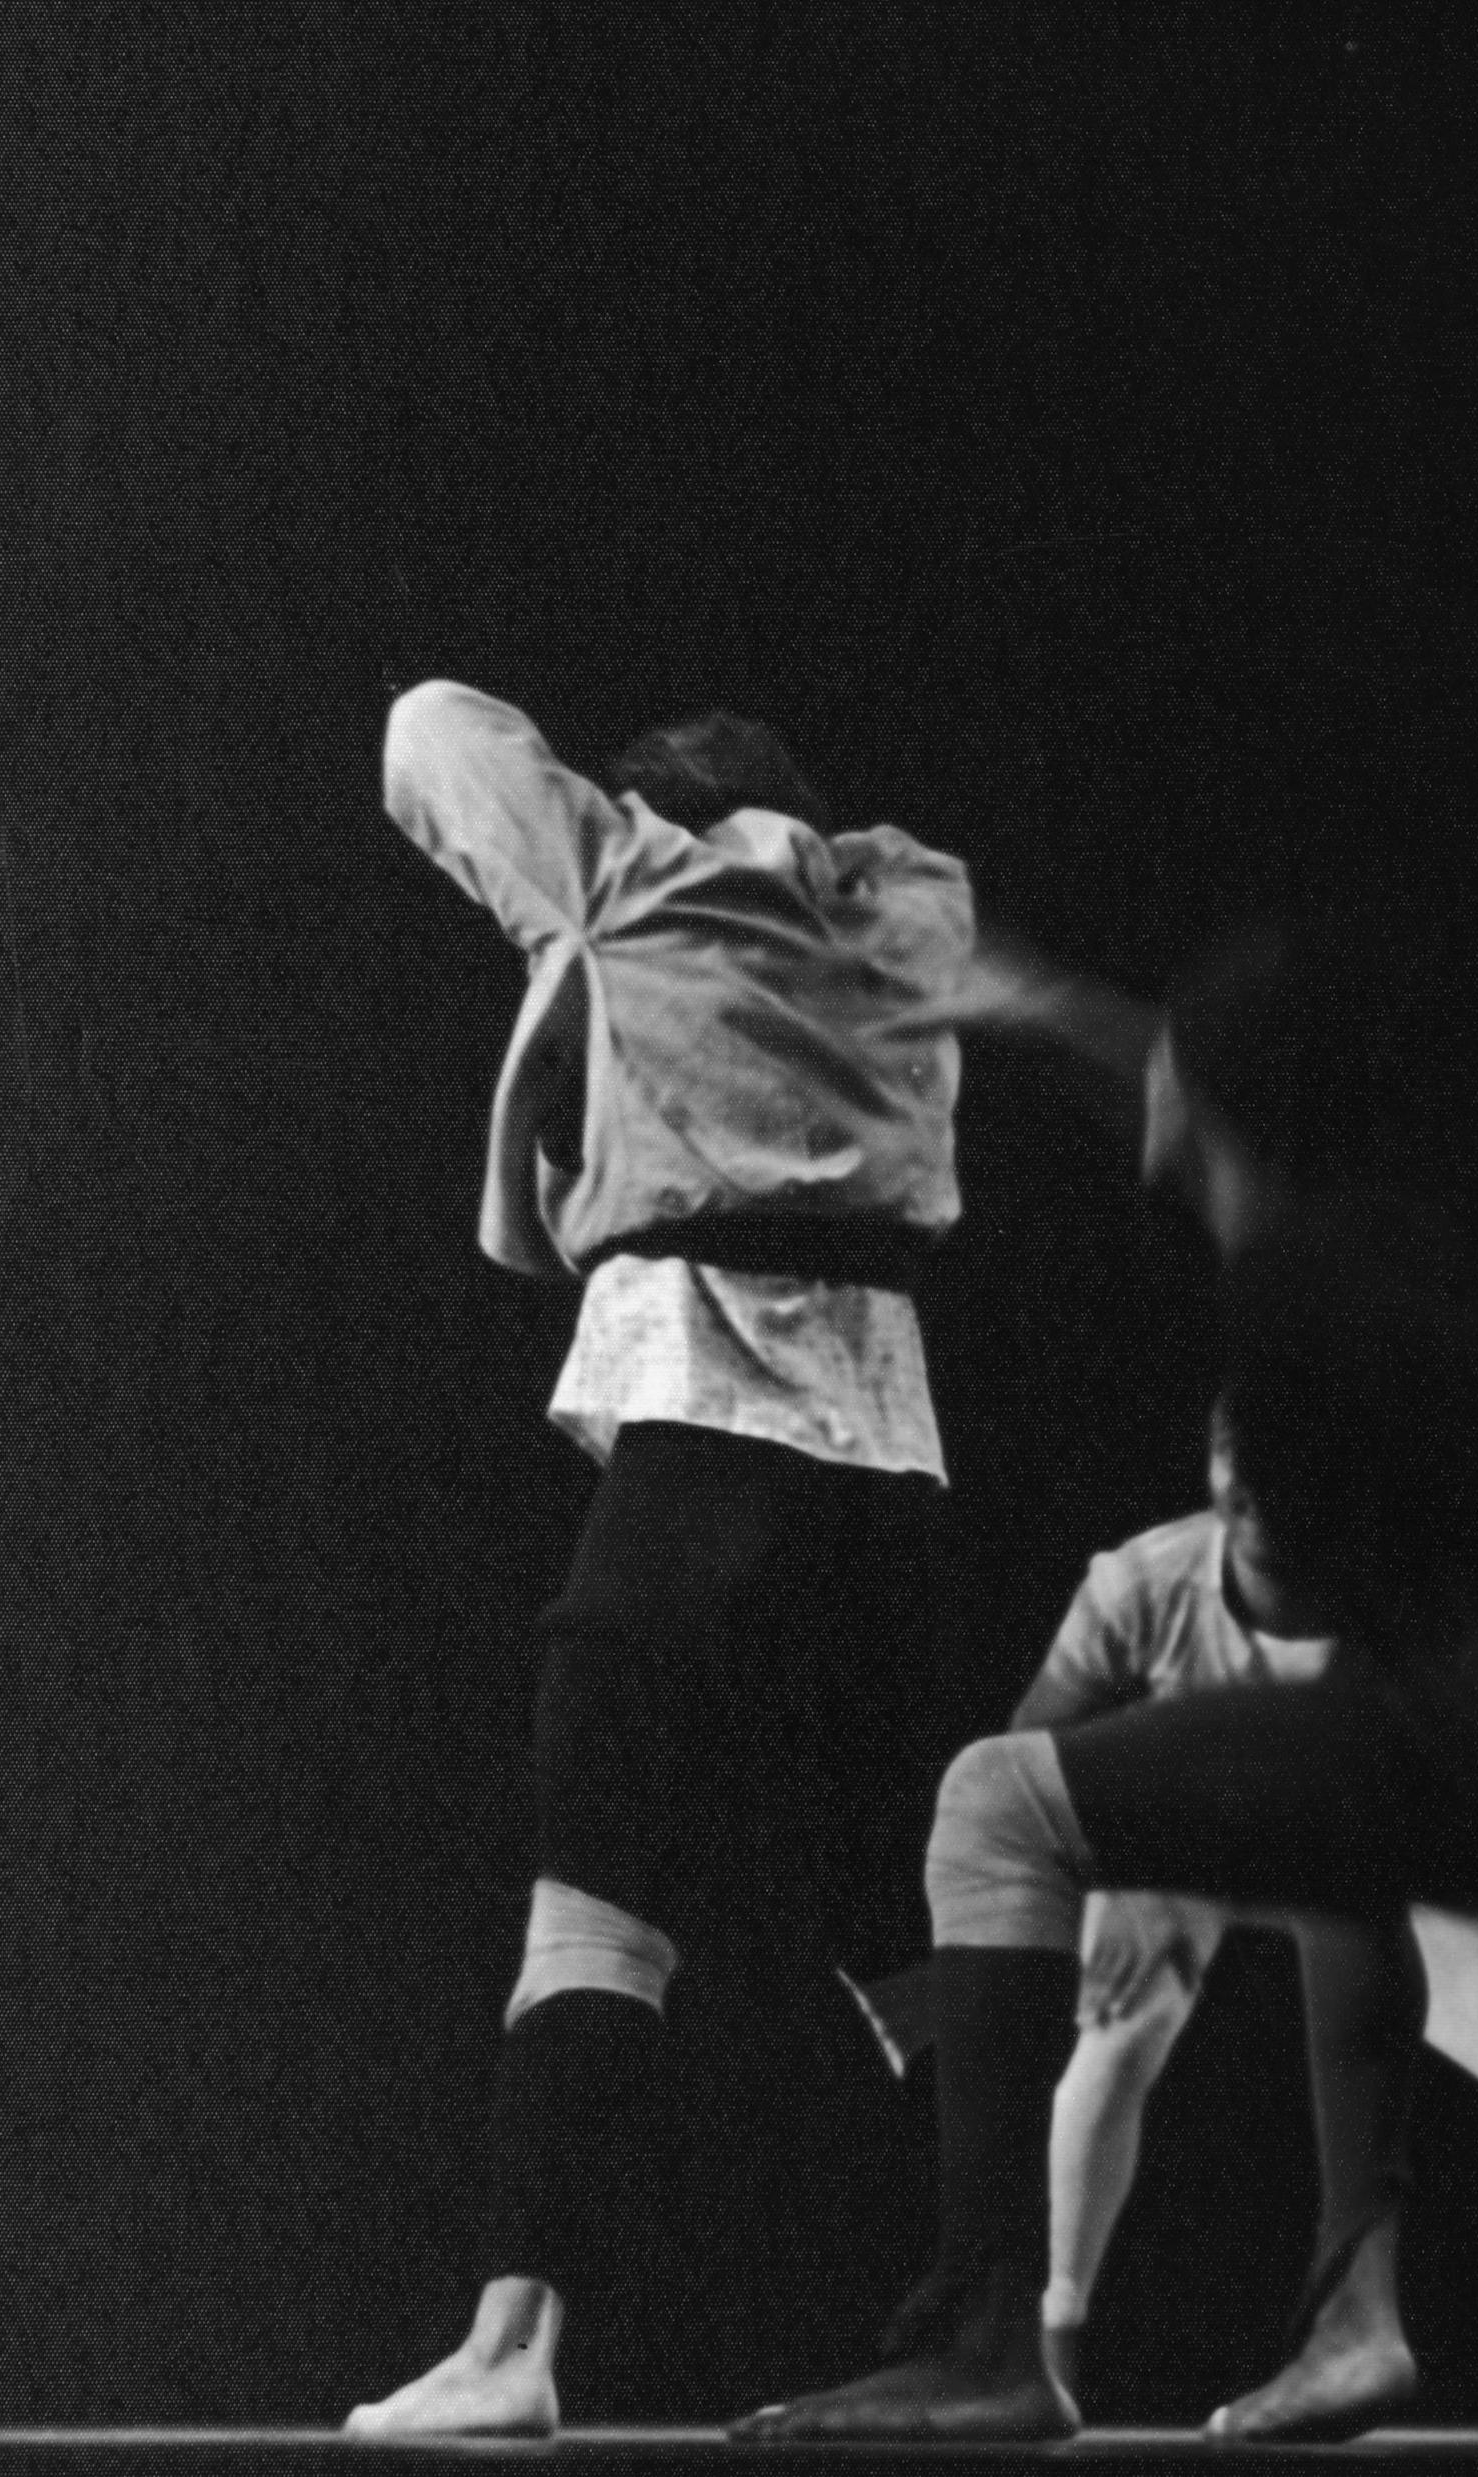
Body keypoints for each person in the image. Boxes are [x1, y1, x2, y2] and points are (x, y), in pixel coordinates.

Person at [738, 926, 1478, 2445]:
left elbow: (1402, 1604)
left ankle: (990, 2338)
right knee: (1336, 1835)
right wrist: (1045, 1010)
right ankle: (1352, 2317)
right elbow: (1213, 1090)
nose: (1139, 1085)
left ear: (1206, 1106)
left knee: (996, 1804)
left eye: (1163, 1071)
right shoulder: (1356, 1230)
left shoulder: (1298, 1319)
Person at [345, 682, 973, 2440]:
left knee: (595, 1892)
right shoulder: (904, 908)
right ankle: (1014, 2311)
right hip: (889, 1460)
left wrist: (600, 872)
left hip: (707, 1431)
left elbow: (428, 733)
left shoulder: (640, 882)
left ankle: (513, 2342)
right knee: (902, 1923)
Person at [994, 1397, 1478, 2432]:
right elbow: (1031, 1761)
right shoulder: (1141, 1583)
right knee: (1115, 2031)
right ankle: (1048, 2353)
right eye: (1246, 1485)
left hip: (1367, 1859)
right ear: (1219, 1483)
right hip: (1198, 1843)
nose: (1265, 1517)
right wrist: (1111, 1877)